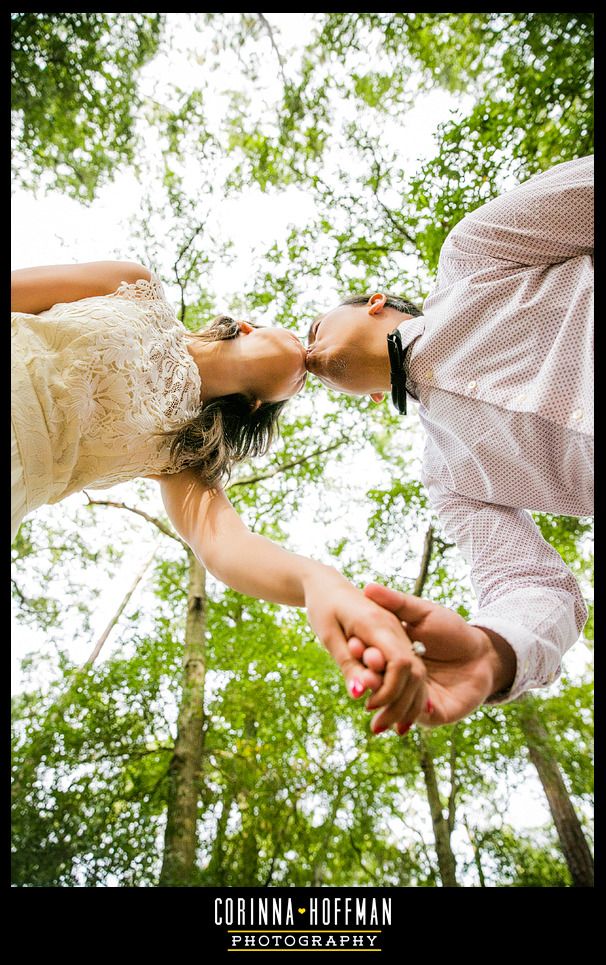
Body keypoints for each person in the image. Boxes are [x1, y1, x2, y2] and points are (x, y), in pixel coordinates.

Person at [11, 260, 432, 733]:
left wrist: (320, 582)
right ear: (247, 328)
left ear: (257, 405)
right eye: (304, 331)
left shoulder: (182, 459)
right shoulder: (132, 286)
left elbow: (227, 547)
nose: (310, 353)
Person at [305, 154, 593, 728]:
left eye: (314, 326)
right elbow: (526, 582)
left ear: (375, 304)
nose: (308, 348)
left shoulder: (476, 254)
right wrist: (492, 651)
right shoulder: (447, 476)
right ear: (365, 399)